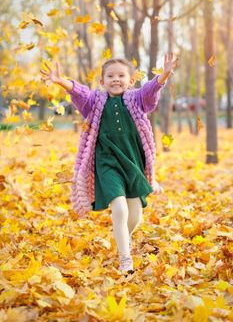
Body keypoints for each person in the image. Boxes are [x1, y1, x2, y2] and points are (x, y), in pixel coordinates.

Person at [40, 53, 178, 275]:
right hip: (107, 164)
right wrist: (60, 81)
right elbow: (78, 92)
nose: (116, 79)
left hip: (133, 162)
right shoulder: (94, 102)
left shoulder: (137, 99)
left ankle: (121, 238)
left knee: (135, 216)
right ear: (102, 82)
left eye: (121, 75)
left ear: (131, 80)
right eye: (110, 76)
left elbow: (151, 91)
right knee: (120, 209)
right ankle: (126, 261)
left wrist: (164, 75)